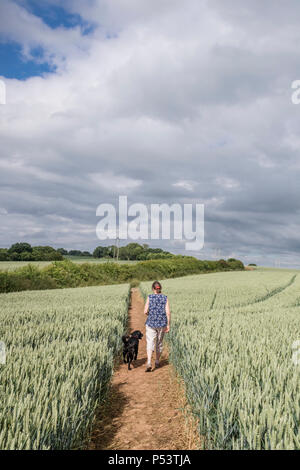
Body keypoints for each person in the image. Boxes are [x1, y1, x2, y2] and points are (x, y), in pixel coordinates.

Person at [143, 280, 171, 372]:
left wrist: (150, 314)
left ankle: (149, 362)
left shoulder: (150, 297)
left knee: (150, 342)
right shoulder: (165, 298)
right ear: (160, 288)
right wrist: (168, 325)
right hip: (162, 324)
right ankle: (157, 361)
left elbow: (145, 311)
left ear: (153, 289)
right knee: (159, 342)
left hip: (151, 323)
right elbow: (168, 312)